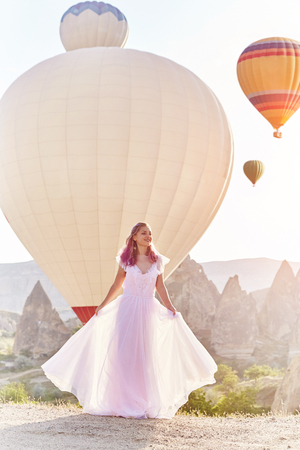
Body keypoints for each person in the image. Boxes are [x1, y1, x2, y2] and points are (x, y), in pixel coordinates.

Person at [42, 222, 217, 419]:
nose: (148, 236)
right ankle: (122, 402)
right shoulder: (125, 260)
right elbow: (117, 284)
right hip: (126, 309)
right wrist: (102, 304)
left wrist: (169, 306)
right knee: (124, 355)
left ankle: (142, 402)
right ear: (134, 236)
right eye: (144, 233)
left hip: (148, 310)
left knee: (145, 355)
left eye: (150, 233)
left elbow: (160, 286)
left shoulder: (158, 260)